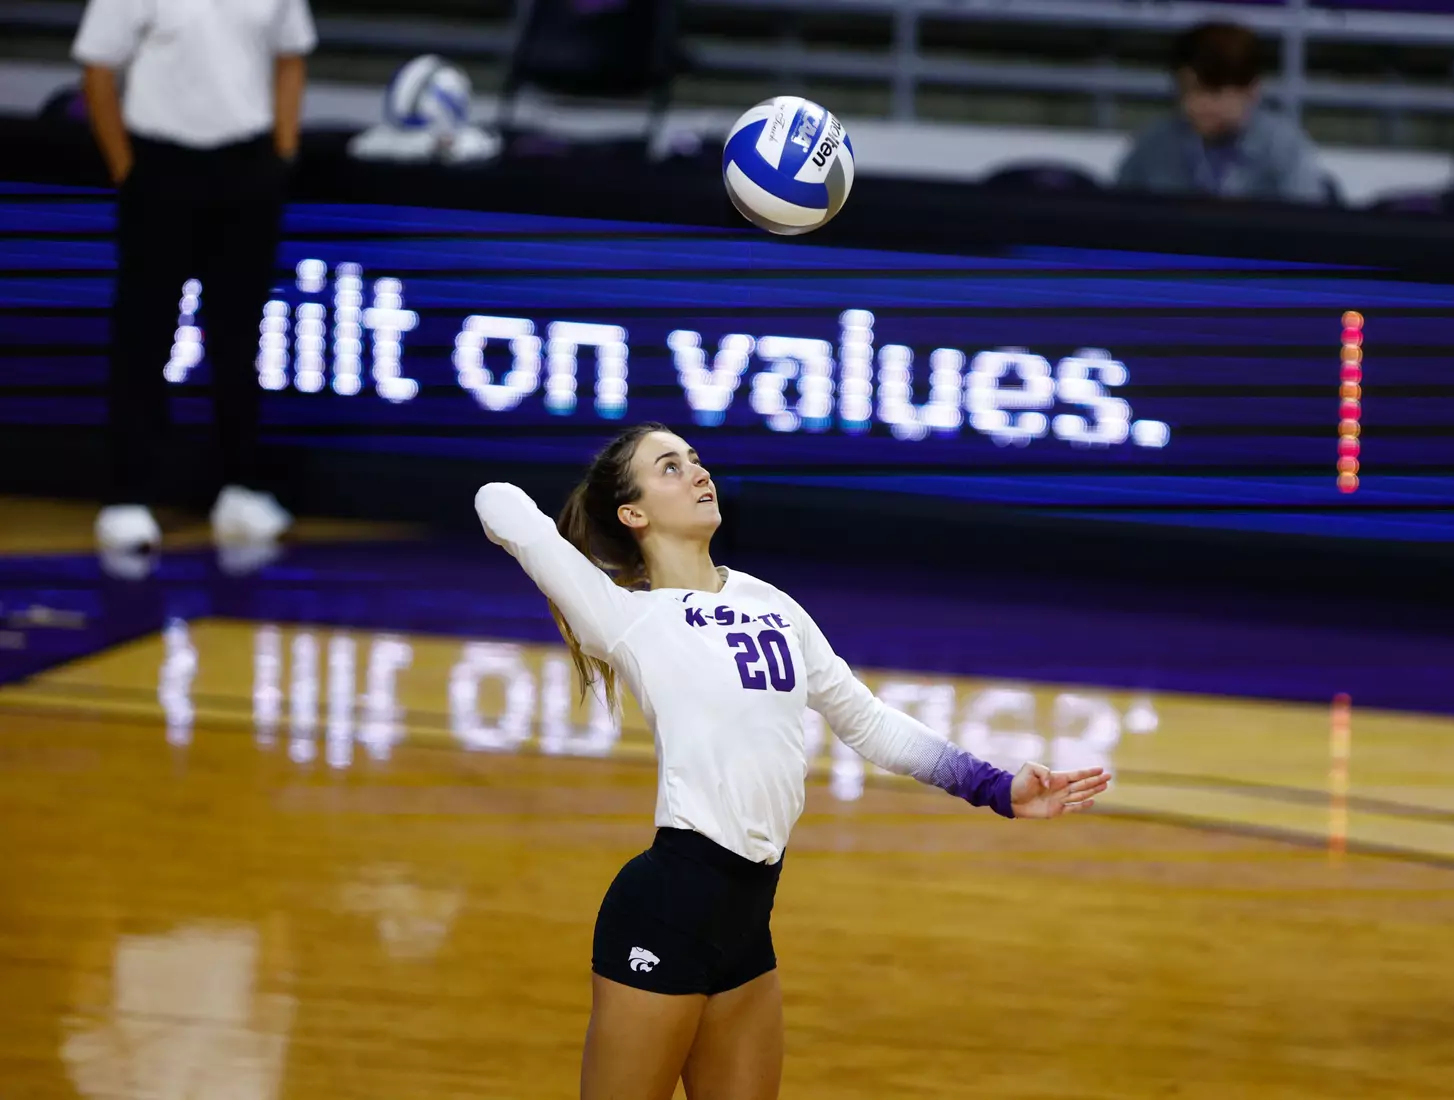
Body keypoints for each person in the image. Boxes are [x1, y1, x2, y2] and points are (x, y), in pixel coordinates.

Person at [474, 422, 1112, 1100]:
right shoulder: (626, 617)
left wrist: (996, 786)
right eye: (669, 468)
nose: (697, 473)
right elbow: (498, 503)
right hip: (668, 909)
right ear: (633, 513)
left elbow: (865, 723)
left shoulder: (769, 603)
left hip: (746, 922)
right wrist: (571, 548)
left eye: (695, 459)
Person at [73, 0, 316, 560]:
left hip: (247, 169)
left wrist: (280, 153)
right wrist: (125, 170)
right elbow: (96, 67)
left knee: (239, 338)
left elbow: (291, 56)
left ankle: (238, 488)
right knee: (145, 334)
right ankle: (130, 496)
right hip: (158, 168)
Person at [1116, 22, 1332, 204]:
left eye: (1211, 92)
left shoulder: (1284, 148)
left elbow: (1306, 229)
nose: (1195, 104)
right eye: (1186, 90)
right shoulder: (1154, 143)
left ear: (1251, 90)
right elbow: (1120, 215)